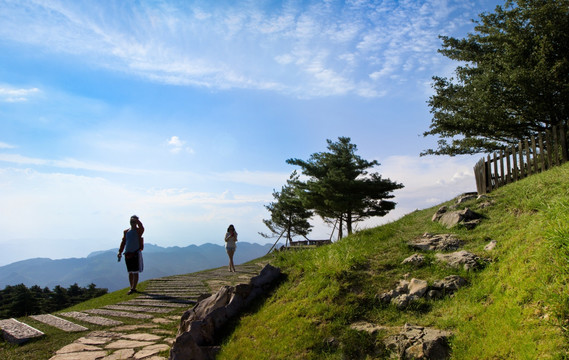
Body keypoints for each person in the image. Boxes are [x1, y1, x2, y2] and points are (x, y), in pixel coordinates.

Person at [118, 215, 144, 294]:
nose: (132, 223)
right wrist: (119, 252)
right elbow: (123, 242)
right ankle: (131, 287)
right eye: (131, 221)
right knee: (130, 272)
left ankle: (133, 288)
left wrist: (137, 221)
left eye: (133, 221)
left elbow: (141, 226)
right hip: (127, 254)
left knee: (135, 271)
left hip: (135, 253)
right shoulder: (126, 232)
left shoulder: (139, 231)